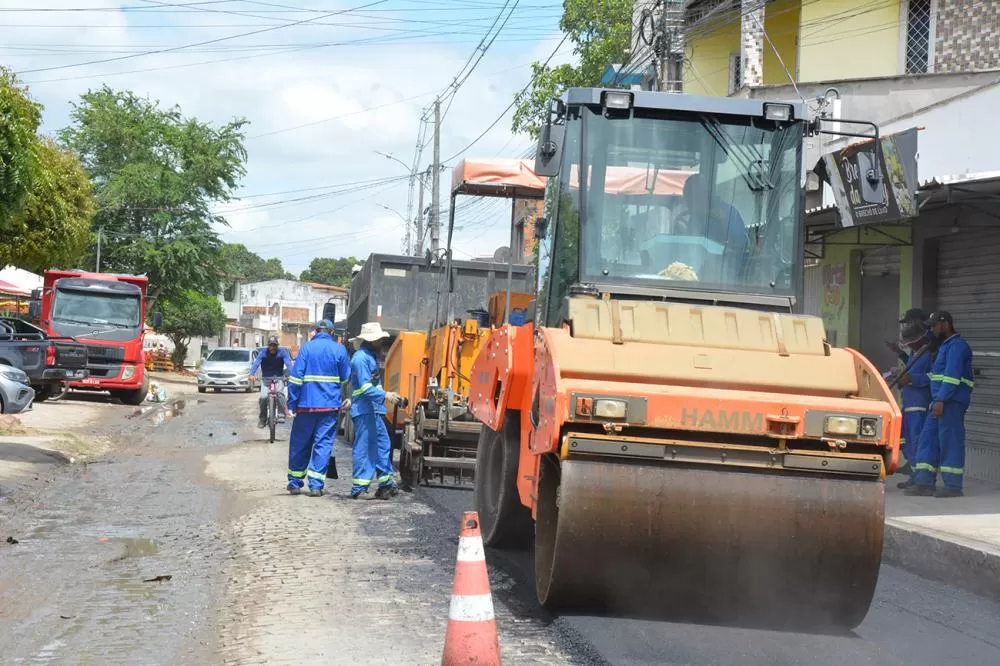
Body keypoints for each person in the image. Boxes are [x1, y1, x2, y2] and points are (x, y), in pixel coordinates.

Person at [906, 311, 974, 498]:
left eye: (934, 325)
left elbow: (952, 377)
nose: (932, 329)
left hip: (950, 402)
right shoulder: (945, 346)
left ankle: (953, 486)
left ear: (945, 324)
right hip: (938, 401)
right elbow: (937, 376)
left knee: (950, 442)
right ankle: (924, 483)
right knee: (927, 440)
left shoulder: (957, 347)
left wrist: (941, 399)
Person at [285, 320, 351, 497]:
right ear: (331, 332)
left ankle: (294, 483)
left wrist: (292, 403)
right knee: (323, 445)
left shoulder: (306, 348)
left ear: (315, 331)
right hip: (329, 408)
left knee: (300, 444)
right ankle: (315, 486)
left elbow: (296, 379)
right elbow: (345, 378)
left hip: (305, 406)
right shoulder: (339, 349)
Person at [348, 321, 400, 500]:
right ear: (372, 340)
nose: (381, 343)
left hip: (373, 410)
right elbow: (364, 388)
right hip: (364, 410)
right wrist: (386, 395)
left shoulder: (369, 357)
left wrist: (388, 395)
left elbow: (373, 384)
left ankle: (385, 484)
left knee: (382, 446)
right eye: (379, 339)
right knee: (365, 449)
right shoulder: (361, 359)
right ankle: (359, 488)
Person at [680, 174, 750, 283]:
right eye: (687, 198)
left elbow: (741, 243)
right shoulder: (689, 220)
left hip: (724, 278)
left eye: (692, 197)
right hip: (692, 275)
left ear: (706, 194)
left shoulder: (728, 213)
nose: (689, 203)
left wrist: (723, 221)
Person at [892, 319, 933, 487]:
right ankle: (915, 474)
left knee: (918, 441)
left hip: (920, 404)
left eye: (911, 343)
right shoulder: (915, 354)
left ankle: (922, 478)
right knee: (904, 440)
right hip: (908, 403)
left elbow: (933, 377)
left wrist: (912, 379)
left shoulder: (930, 354)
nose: (909, 346)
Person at [249, 335, 294, 428]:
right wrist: (251, 374)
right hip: (266, 379)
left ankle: (281, 414)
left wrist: (293, 374)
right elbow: (256, 363)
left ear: (277, 345)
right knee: (263, 398)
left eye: (274, 345)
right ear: (268, 346)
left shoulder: (282, 352)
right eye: (271, 345)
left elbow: (288, 364)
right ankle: (263, 418)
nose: (272, 348)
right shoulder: (263, 353)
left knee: (280, 394)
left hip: (279, 378)